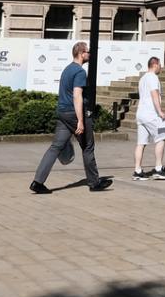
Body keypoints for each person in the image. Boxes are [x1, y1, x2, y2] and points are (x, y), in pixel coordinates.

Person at [31, 42, 111, 194]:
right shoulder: (80, 72)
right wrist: (80, 120)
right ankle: (94, 183)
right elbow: (77, 95)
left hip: (63, 113)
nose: (89, 54)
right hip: (74, 114)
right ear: (81, 53)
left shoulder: (67, 69)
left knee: (55, 147)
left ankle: (37, 182)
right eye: (88, 52)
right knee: (87, 147)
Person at [132, 56, 165, 181]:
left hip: (141, 113)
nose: (161, 67)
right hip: (150, 114)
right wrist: (160, 111)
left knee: (141, 143)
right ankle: (158, 169)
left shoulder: (143, 78)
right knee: (162, 137)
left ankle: (137, 170)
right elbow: (154, 93)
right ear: (155, 64)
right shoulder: (153, 77)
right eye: (160, 65)